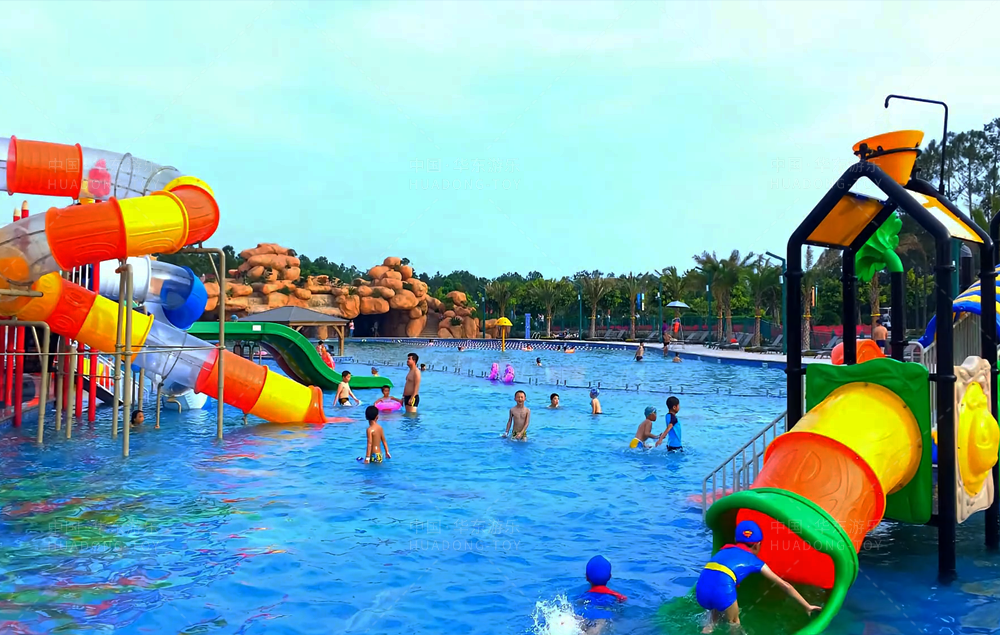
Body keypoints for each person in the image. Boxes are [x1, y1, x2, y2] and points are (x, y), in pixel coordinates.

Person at [696, 520, 820, 633]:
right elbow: (785, 585)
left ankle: (706, 630)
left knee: (712, 621)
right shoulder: (754, 561)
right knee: (734, 624)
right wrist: (807, 606)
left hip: (701, 588)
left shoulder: (723, 550)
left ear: (735, 540)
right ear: (757, 545)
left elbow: (716, 576)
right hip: (723, 589)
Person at [576, 555, 626, 635]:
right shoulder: (618, 596)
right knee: (599, 625)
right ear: (610, 577)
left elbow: (578, 604)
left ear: (587, 577)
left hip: (586, 615)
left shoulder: (582, 596)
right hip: (605, 617)